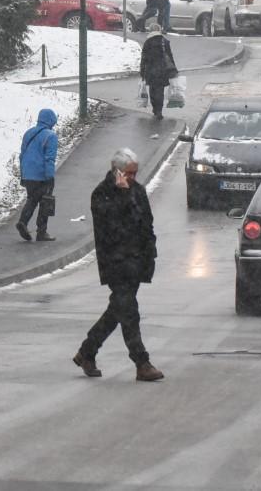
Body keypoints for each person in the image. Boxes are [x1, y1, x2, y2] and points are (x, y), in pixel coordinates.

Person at [73, 148, 164, 382]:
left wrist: (149, 252)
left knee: (117, 311)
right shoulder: (101, 194)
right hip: (116, 263)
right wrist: (123, 196)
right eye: (129, 173)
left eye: (135, 173)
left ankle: (87, 352)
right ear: (117, 171)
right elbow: (112, 229)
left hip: (136, 263)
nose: (133, 178)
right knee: (130, 313)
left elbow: (146, 224)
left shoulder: (139, 191)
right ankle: (141, 362)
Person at [17, 108, 59, 242]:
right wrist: (50, 177)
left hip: (28, 174)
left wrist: (23, 174)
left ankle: (23, 222)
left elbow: (22, 155)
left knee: (32, 199)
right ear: (51, 121)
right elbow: (49, 159)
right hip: (41, 174)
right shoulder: (50, 136)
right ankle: (41, 232)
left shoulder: (28, 133)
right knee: (45, 202)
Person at [139, 23, 177, 121]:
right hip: (162, 70)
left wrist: (142, 72)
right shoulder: (165, 41)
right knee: (160, 91)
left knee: (152, 90)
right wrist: (174, 70)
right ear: (159, 30)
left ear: (151, 31)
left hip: (151, 70)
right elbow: (170, 56)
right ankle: (159, 110)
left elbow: (144, 59)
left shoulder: (148, 42)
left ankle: (155, 109)